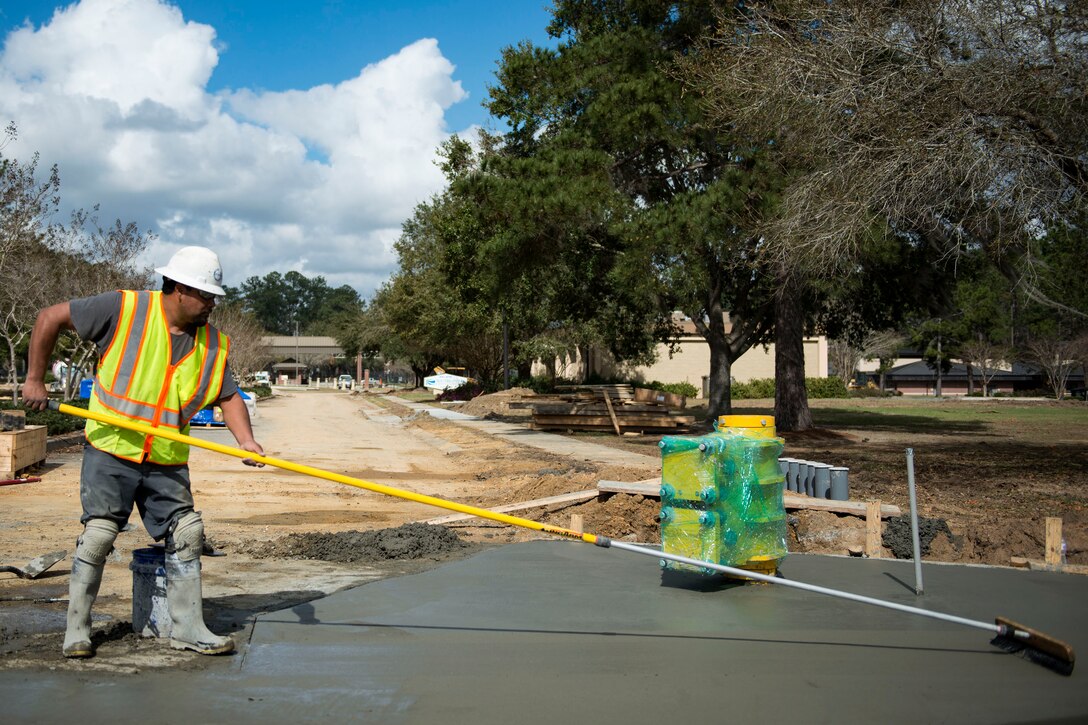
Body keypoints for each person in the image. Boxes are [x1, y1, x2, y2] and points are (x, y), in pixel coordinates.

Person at [23, 246, 265, 659]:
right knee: (99, 536)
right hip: (111, 450)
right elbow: (49, 317)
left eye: (213, 297)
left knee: (187, 534)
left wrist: (246, 441)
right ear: (177, 289)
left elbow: (229, 397)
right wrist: (34, 380)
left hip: (166, 460)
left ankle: (188, 629)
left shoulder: (214, 344)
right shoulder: (124, 308)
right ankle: (76, 631)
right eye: (204, 295)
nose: (211, 304)